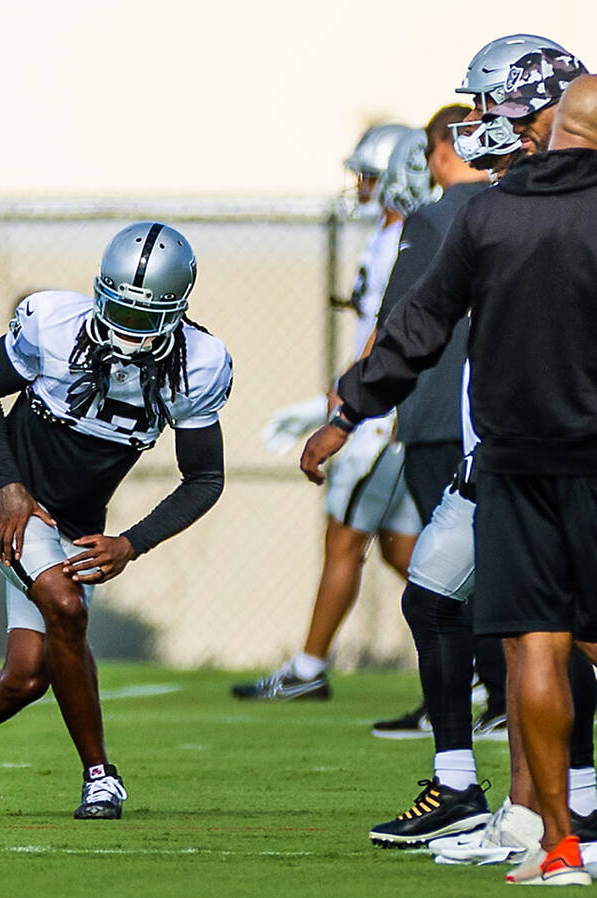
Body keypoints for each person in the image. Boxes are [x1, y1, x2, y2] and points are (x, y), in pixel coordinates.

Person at [300, 57, 596, 887]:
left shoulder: (484, 214)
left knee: (535, 645)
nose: (480, 118)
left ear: (551, 117)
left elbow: (414, 331)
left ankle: (560, 844)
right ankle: (543, 816)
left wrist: (346, 413)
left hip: (517, 463)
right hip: (554, 461)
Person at [0, 221, 231, 820]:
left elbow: (205, 478)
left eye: (143, 319)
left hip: (76, 520)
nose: (127, 334)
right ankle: (101, 776)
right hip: (8, 495)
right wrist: (9, 481)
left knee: (25, 677)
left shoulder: (198, 364)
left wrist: (132, 543)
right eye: (119, 313)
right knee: (64, 603)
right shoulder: (54, 324)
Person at [233, 124, 424, 701]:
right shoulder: (387, 235)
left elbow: (389, 333)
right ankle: (484, 660)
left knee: (343, 537)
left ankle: (309, 667)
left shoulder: (405, 240)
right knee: (403, 548)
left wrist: (347, 404)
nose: (362, 184)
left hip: (383, 416)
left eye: (370, 173)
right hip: (384, 405)